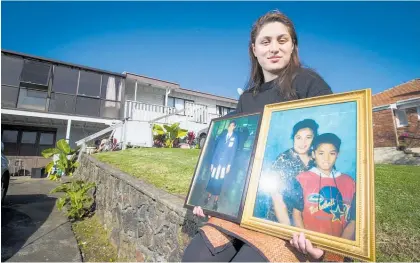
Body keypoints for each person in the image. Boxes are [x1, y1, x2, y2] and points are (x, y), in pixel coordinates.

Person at [182, 10, 344, 262]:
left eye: (282, 40)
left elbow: (329, 153)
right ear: (254, 50)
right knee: (197, 257)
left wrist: (321, 236)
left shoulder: (310, 84)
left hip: (290, 219)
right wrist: (209, 200)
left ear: (293, 46)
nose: (274, 48)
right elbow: (235, 156)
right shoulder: (247, 98)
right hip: (243, 210)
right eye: (265, 42)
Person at [291, 133, 356, 240]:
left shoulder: (349, 182)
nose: (326, 158)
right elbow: (296, 215)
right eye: (321, 153)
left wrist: (340, 248)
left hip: (339, 246)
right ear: (313, 154)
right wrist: (306, 242)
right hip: (308, 243)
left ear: (337, 154)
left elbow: (354, 220)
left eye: (332, 153)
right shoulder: (301, 180)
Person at [255, 119, 319, 224]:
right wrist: (288, 230)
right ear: (293, 138)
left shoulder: (318, 158)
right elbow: (277, 199)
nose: (303, 142)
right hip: (283, 220)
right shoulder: (283, 159)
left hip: (308, 221)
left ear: (314, 139)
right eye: (298, 137)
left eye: (308, 137)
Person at [204, 121, 239, 210]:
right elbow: (216, 150)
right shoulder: (222, 136)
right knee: (212, 180)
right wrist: (212, 163)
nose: (230, 127)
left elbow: (232, 153)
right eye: (229, 126)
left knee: (219, 182)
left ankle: (215, 201)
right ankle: (208, 198)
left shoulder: (235, 138)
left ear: (234, 127)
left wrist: (229, 166)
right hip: (216, 163)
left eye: (232, 126)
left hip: (224, 165)